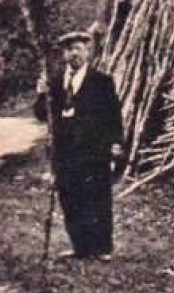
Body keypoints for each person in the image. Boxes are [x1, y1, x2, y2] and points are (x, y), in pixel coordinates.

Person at [33, 30, 125, 261]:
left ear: (87, 52)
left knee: (96, 196)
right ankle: (80, 246)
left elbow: (113, 115)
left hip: (94, 149)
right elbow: (43, 115)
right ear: (63, 54)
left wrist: (115, 143)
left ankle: (102, 248)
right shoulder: (55, 82)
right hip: (64, 152)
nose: (73, 53)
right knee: (70, 197)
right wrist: (40, 95)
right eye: (69, 49)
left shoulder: (101, 81)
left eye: (78, 48)